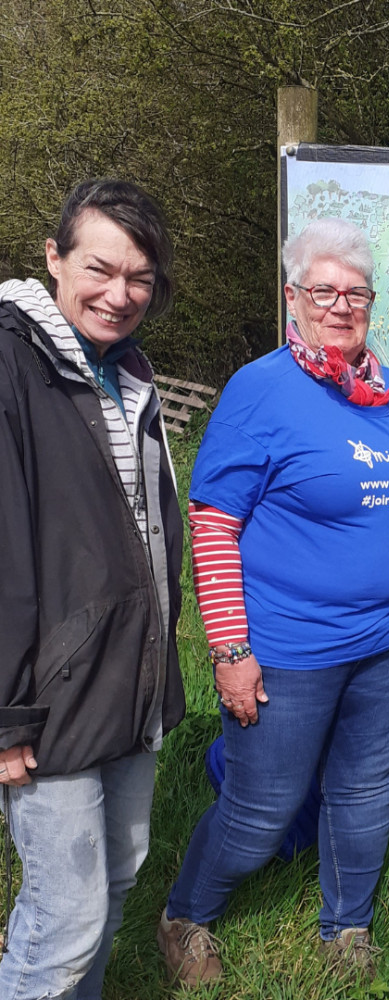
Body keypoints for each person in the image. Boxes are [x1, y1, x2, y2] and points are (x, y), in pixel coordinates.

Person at [158, 217, 389, 987]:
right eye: (324, 291)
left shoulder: (385, 391)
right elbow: (213, 525)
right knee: (260, 809)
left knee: (367, 788)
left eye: (355, 292)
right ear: (293, 297)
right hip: (288, 649)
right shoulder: (262, 389)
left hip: (386, 643)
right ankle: (185, 914)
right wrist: (232, 652)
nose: (341, 305)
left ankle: (346, 929)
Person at [0, 179, 184, 1000]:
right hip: (49, 700)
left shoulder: (125, 375)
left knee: (115, 880)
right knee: (65, 919)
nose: (120, 294)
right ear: (53, 258)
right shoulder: (13, 363)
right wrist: (5, 712)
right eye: (101, 268)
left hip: (126, 683)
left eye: (140, 277)